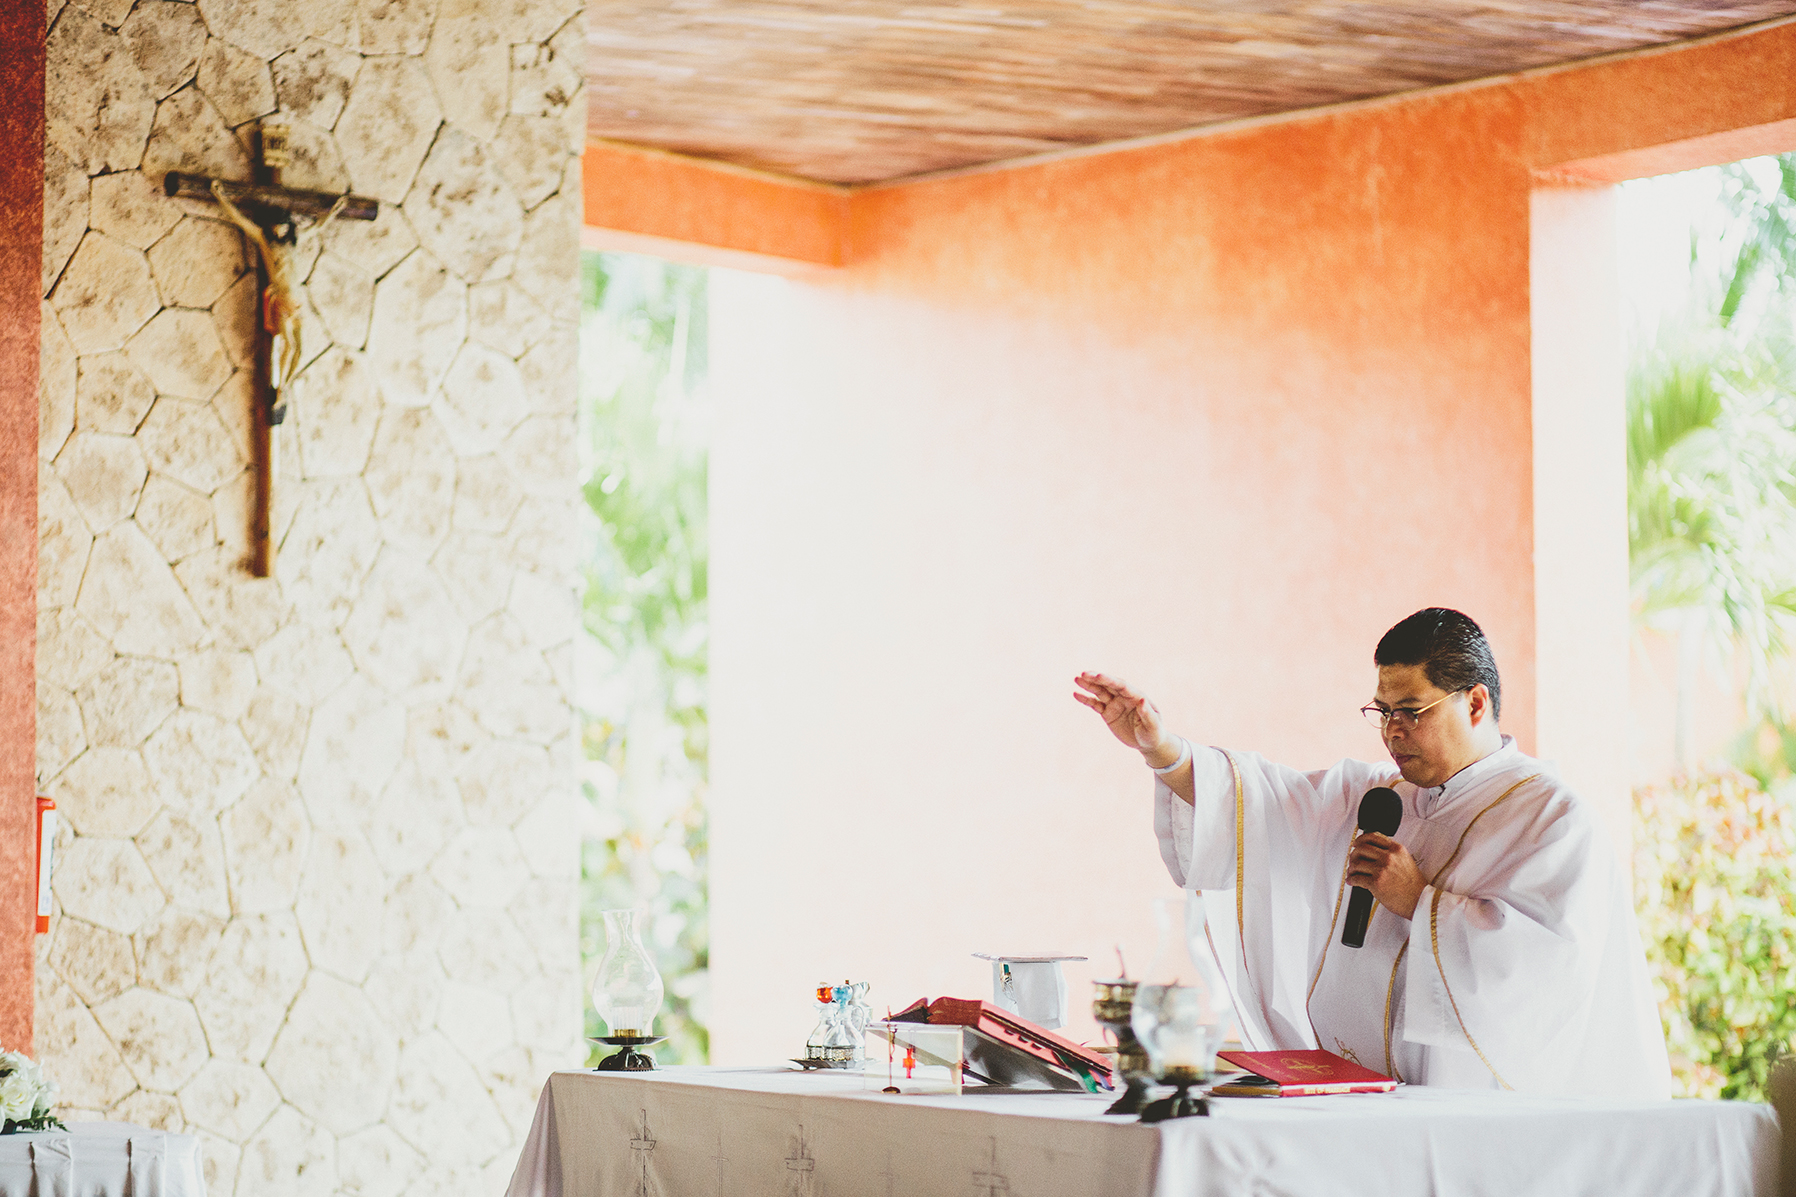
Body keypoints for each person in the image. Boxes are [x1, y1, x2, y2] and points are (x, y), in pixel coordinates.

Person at [1074, 608, 1671, 1097]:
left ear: (1476, 704)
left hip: (1481, 1115)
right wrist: (1163, 750)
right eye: (1381, 712)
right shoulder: (1380, 796)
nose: (1391, 731)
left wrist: (1419, 901)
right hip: (1362, 1095)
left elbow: (1549, 976)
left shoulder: (1552, 817)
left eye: (1410, 712)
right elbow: (1263, 805)